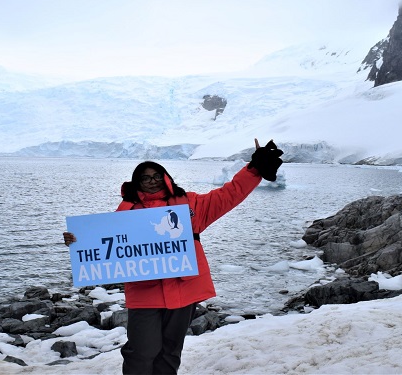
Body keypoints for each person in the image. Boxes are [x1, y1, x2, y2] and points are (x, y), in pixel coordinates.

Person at [63, 138, 283, 375]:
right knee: (141, 351)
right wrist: (78, 240)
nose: (152, 181)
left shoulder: (190, 204)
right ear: (137, 182)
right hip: (144, 291)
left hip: (184, 288)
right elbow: (105, 243)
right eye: (145, 177)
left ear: (166, 178)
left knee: (170, 352)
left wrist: (254, 169)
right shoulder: (126, 212)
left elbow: (229, 194)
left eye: (157, 176)